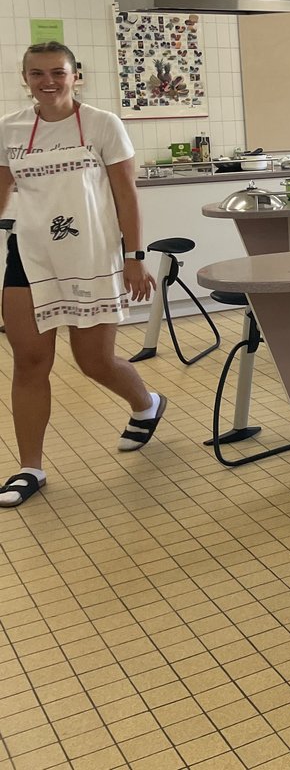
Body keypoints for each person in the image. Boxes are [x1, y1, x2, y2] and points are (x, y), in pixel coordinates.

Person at [0, 42, 163, 508]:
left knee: (94, 361)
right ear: (25, 78)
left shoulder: (102, 124)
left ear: (76, 75)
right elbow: (1, 190)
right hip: (30, 256)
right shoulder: (9, 128)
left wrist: (134, 256)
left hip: (92, 254)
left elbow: (126, 194)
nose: (48, 81)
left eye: (58, 72)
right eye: (37, 73)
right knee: (30, 361)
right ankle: (30, 467)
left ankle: (147, 404)